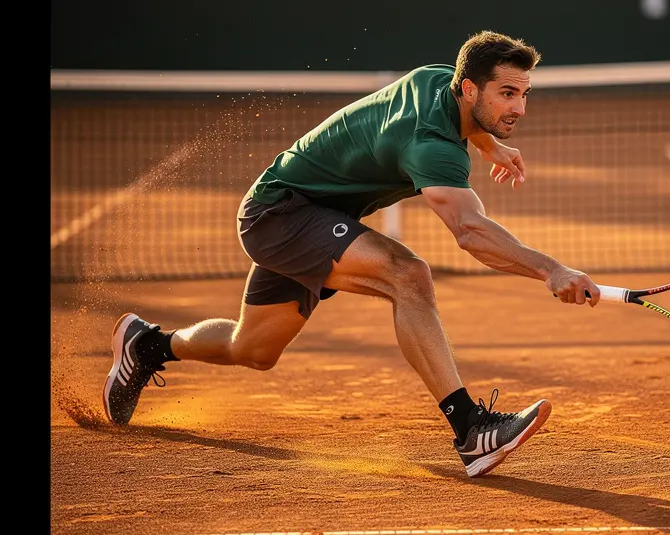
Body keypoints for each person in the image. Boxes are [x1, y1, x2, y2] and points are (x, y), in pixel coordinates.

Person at [102, 30, 602, 478]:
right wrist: (551, 269)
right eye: (507, 94)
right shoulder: (432, 145)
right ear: (469, 87)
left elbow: (463, 122)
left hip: (306, 211)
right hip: (283, 213)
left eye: (523, 94)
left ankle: (147, 346)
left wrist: (491, 144)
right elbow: (470, 232)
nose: (519, 107)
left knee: (251, 350)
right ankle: (470, 429)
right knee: (408, 276)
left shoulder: (435, 79)